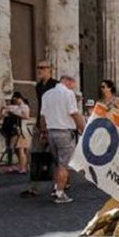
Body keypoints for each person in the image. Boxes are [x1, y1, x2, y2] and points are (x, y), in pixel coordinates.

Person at [41, 74, 85, 204]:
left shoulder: (47, 94)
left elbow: (42, 117)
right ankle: (60, 193)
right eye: (73, 84)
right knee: (64, 165)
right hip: (64, 133)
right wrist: (83, 128)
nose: (74, 87)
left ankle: (56, 188)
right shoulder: (68, 93)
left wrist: (43, 132)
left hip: (51, 132)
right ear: (68, 82)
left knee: (57, 163)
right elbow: (74, 113)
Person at [21, 61, 59, 198]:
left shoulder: (56, 85)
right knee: (35, 155)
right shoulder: (38, 86)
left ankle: (58, 187)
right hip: (40, 124)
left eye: (42, 68)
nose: (39, 70)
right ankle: (33, 188)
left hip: (53, 125)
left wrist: (49, 126)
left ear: (50, 70)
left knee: (56, 157)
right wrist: (40, 125)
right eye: (38, 68)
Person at [0, 92, 31, 174]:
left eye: (15, 100)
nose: (15, 102)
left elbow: (27, 116)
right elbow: (1, 115)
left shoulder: (24, 106)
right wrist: (3, 109)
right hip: (17, 131)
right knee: (17, 150)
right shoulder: (16, 107)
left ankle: (23, 168)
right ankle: (21, 166)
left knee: (21, 150)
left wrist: (15, 113)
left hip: (22, 131)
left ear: (19, 98)